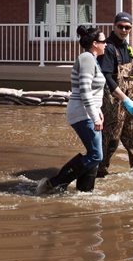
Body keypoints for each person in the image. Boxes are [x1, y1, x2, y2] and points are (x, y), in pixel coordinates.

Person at [37, 25, 107, 195]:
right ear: (95, 43)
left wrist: (98, 110)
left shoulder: (92, 59)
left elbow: (93, 91)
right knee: (96, 155)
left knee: (94, 155)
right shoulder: (87, 58)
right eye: (104, 41)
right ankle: (52, 184)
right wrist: (95, 116)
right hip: (82, 113)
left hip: (89, 112)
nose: (106, 44)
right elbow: (84, 90)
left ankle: (84, 191)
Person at [97, 12, 133, 177]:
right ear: (114, 26)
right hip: (113, 105)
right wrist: (124, 99)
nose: (124, 30)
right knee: (110, 141)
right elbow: (106, 77)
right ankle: (98, 173)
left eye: (127, 27)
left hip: (129, 104)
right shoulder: (108, 48)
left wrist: (131, 100)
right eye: (121, 26)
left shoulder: (127, 48)